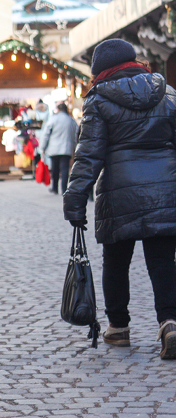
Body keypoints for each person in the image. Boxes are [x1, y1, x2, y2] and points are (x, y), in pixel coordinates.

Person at [64, 38, 176, 360]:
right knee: (163, 262)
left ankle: (118, 327)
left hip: (118, 194)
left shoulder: (98, 99)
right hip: (164, 191)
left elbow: (88, 155)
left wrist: (75, 199)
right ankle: (169, 323)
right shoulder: (168, 93)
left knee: (116, 262)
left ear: (101, 70)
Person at [41, 102, 78, 195]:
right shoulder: (71, 120)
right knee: (65, 169)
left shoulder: (53, 119)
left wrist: (43, 147)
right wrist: (74, 147)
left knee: (55, 168)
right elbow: (76, 135)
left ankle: (55, 188)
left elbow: (46, 134)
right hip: (66, 148)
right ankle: (64, 189)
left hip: (54, 148)